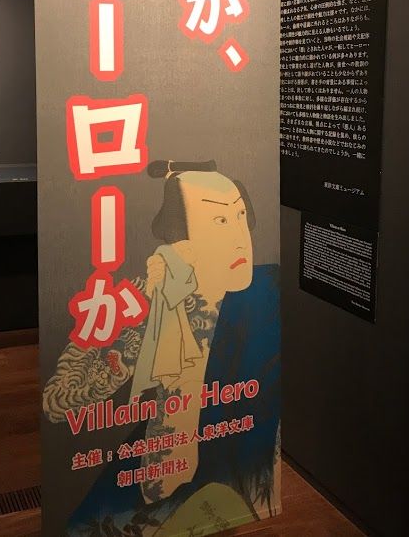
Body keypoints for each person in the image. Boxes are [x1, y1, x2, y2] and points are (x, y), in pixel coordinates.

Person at [43, 160, 280, 536]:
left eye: (240, 216)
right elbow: (59, 400)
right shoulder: (147, 298)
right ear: (179, 240)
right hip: (162, 484)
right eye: (220, 221)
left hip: (240, 479)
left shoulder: (267, 291)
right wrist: (152, 314)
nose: (241, 237)